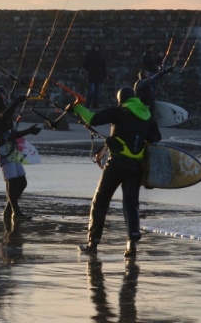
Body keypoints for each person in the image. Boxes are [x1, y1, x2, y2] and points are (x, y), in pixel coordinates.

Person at [69, 87, 161, 258]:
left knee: (101, 201)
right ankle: (131, 244)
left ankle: (93, 243)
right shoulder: (148, 117)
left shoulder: (119, 112)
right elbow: (156, 138)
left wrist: (76, 108)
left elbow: (93, 119)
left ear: (120, 100)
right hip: (136, 167)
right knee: (131, 205)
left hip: (117, 163)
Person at [0, 92, 41, 221]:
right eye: (2, 100)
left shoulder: (3, 116)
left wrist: (29, 131)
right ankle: (16, 213)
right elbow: (4, 115)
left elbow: (11, 135)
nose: (4, 102)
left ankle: (8, 209)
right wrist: (17, 102)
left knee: (22, 182)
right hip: (4, 153)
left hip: (13, 151)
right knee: (12, 182)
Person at [81, 43, 108, 108]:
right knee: (91, 91)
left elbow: (104, 67)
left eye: (97, 47)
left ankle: (95, 105)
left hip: (99, 76)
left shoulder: (101, 56)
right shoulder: (89, 56)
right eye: (95, 47)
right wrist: (90, 69)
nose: (96, 49)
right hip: (92, 76)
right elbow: (84, 65)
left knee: (97, 92)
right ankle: (88, 104)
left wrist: (105, 75)